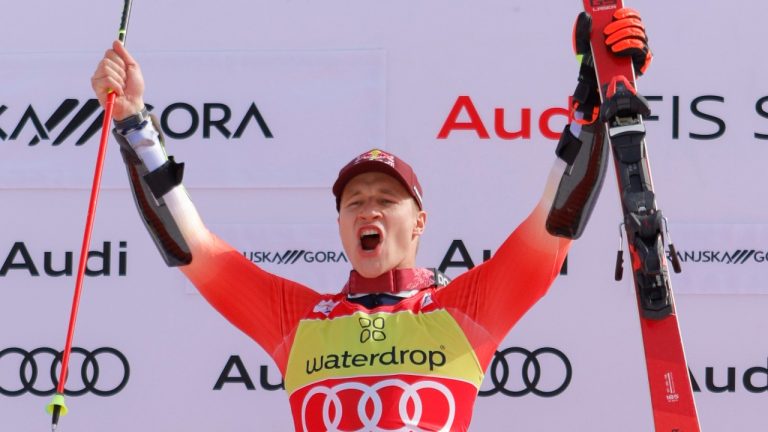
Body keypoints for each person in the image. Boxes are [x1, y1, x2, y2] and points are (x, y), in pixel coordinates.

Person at [91, 9, 651, 432]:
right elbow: (193, 247)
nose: (369, 208)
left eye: (387, 198)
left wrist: (595, 93)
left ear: (420, 222)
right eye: (355, 201)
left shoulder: (464, 310)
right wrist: (133, 121)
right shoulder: (297, 319)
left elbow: (553, 225)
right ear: (340, 224)